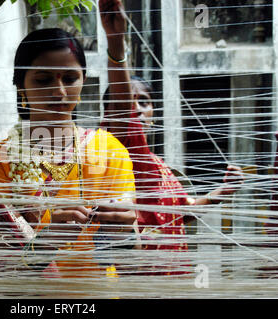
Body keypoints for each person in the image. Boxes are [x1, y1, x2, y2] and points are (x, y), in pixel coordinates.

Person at [0, 25, 137, 278]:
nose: (59, 92)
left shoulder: (109, 150)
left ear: (83, 81)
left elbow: (129, 256)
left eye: (70, 79)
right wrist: (45, 242)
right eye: (43, 79)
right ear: (20, 85)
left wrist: (123, 232)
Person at [99, 0, 244, 255]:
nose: (138, 110)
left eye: (144, 102)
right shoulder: (122, 157)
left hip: (172, 281)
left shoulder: (158, 165)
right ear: (105, 119)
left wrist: (223, 191)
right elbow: (124, 113)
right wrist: (116, 42)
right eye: (129, 103)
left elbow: (180, 213)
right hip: (140, 283)